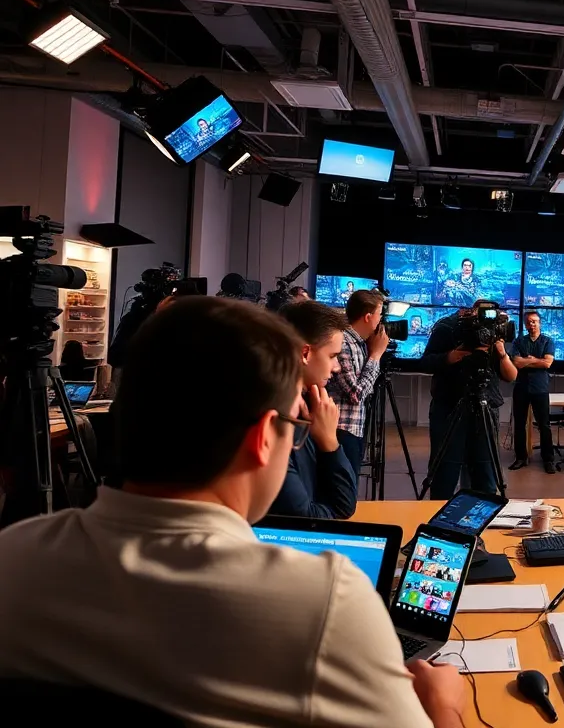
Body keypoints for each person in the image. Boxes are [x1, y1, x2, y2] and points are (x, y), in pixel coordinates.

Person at [0, 297, 465, 726]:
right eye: (295, 424)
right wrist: (442, 704)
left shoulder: (13, 558)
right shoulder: (325, 599)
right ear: (263, 437)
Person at [419, 301, 518, 499]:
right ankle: (439, 513)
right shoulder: (448, 328)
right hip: (450, 407)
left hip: (485, 405)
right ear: (471, 312)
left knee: (485, 472)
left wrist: (501, 353)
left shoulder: (496, 331)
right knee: (445, 472)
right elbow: (425, 363)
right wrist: (452, 356)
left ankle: (483, 511)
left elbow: (511, 375)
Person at [270, 301, 358, 518]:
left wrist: (327, 440)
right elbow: (308, 516)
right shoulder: (275, 422)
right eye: (332, 356)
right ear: (305, 353)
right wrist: (330, 443)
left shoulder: (308, 410)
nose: (337, 367)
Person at [327, 290, 389, 476]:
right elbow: (356, 394)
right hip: (342, 429)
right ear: (368, 317)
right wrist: (376, 356)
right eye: (379, 315)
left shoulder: (360, 343)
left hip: (353, 428)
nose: (381, 321)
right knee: (344, 484)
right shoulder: (344, 343)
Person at [509, 311, 557, 473]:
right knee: (519, 425)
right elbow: (516, 362)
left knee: (544, 425)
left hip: (540, 388)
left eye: (534, 321)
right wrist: (536, 360)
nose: (532, 324)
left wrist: (528, 361)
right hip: (521, 387)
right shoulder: (519, 341)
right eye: (529, 322)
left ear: (540, 323)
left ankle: (548, 459)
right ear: (525, 324)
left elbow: (547, 363)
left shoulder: (547, 341)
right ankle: (521, 458)